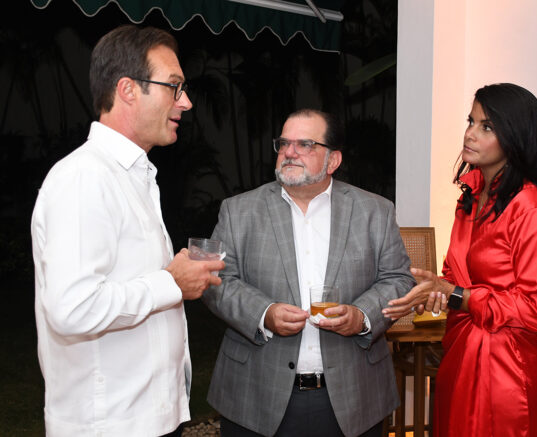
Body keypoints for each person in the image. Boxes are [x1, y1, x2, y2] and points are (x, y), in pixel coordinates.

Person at [31, 25, 225, 437]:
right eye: (174, 87)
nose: (186, 102)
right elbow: (72, 308)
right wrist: (171, 283)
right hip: (110, 425)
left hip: (144, 419)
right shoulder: (85, 177)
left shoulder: (133, 176)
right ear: (128, 89)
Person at [201, 108, 416, 437]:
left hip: (353, 397)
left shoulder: (376, 211)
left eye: (305, 144)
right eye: (284, 143)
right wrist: (264, 314)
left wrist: (362, 317)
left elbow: (398, 279)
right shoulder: (238, 211)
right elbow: (216, 281)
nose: (290, 152)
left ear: (333, 161)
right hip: (256, 395)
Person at [383, 83, 537, 437]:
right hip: (460, 353)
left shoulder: (532, 208)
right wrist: (433, 291)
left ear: (515, 137)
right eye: (471, 121)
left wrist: (455, 294)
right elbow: (455, 275)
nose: (470, 133)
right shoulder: (471, 196)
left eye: (487, 127)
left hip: (505, 370)